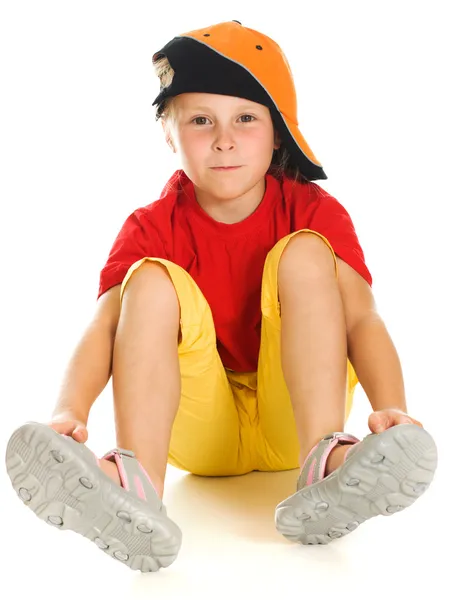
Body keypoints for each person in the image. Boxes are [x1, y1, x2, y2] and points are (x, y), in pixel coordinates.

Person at [5, 20, 438, 572]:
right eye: (201, 120)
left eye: (246, 118)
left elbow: (363, 319)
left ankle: (327, 461)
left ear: (278, 132)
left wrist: (391, 408)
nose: (224, 139)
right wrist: (68, 412)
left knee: (306, 252)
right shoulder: (149, 227)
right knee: (151, 278)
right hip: (199, 433)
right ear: (169, 133)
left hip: (295, 420)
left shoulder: (313, 212)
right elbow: (102, 331)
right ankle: (137, 484)